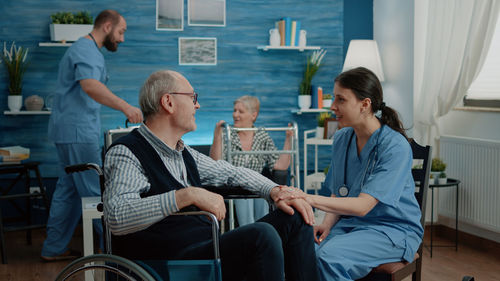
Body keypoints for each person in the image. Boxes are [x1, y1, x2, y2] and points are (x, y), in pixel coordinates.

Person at [103, 70, 319, 281]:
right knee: (262, 235)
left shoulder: (183, 153)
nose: (197, 105)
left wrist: (276, 191)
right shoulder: (126, 151)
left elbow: (231, 173)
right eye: (192, 97)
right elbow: (117, 217)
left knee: (295, 216)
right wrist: (186, 195)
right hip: (169, 262)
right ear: (168, 102)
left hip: (206, 250)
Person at [298, 67, 423, 280]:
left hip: (391, 231)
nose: (333, 107)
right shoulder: (342, 138)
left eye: (340, 100)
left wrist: (307, 198)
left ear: (365, 104)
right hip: (352, 226)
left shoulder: (394, 146)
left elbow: (364, 206)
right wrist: (326, 224)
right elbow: (339, 192)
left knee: (328, 257)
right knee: (302, 253)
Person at [42, 9, 143, 261]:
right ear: (107, 26)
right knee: (93, 191)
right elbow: (90, 85)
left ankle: (53, 249)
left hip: (68, 131)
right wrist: (126, 107)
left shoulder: (84, 49)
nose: (122, 38)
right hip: (77, 133)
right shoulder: (86, 49)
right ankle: (115, 251)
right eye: (120, 32)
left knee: (67, 190)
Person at [209, 95, 293, 225]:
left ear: (253, 115)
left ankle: (264, 232)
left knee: (263, 191)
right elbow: (215, 163)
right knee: (246, 195)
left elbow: (279, 166)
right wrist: (217, 136)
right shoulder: (227, 133)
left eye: (240, 111)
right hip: (233, 183)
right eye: (234, 110)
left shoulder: (262, 135)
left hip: (255, 183)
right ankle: (248, 234)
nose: (235, 115)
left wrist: (288, 139)